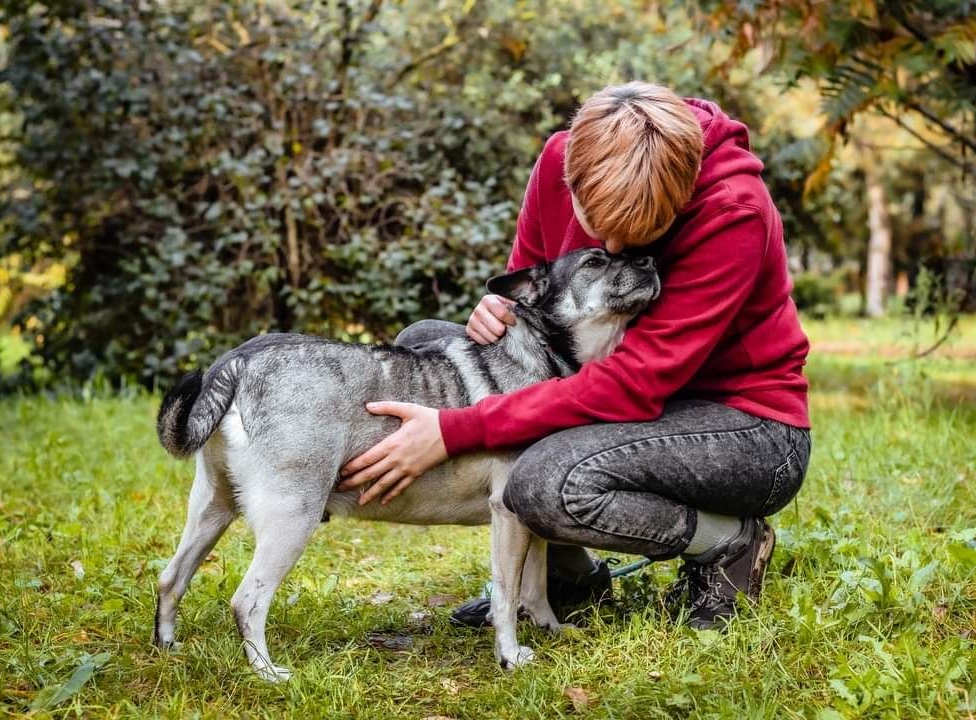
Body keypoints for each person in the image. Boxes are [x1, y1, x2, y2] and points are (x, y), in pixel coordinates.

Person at [336, 82, 811, 630]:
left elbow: (631, 384)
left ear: (683, 195)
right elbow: (531, 289)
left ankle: (729, 543)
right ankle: (565, 578)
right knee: (424, 341)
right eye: (597, 227)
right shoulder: (560, 159)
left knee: (543, 483)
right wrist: (494, 310)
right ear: (572, 180)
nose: (611, 249)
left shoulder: (734, 210)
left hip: (742, 427)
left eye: (641, 235)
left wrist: (455, 429)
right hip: (620, 398)